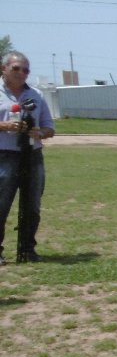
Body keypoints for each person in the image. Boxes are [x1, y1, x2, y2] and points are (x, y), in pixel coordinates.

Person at [0, 51, 55, 265]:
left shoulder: (36, 95)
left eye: (26, 70)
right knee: (1, 204)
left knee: (32, 205)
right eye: (16, 68)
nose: (21, 73)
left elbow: (50, 127)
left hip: (32, 155)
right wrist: (5, 126)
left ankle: (27, 250)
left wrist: (40, 133)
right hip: (4, 156)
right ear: (3, 69)